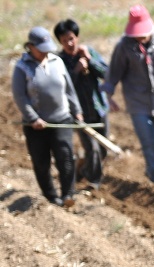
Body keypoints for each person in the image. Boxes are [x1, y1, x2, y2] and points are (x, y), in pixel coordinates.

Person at [101, 5, 154, 189]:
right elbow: (113, 74)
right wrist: (108, 96)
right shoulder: (123, 47)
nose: (140, 37)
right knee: (150, 144)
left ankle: (152, 172)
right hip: (138, 104)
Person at [11, 27, 83, 208]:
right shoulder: (22, 67)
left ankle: (68, 194)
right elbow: (20, 96)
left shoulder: (57, 62)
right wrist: (33, 118)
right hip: (36, 125)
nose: (44, 51)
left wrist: (77, 111)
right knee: (41, 162)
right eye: (40, 48)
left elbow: (69, 90)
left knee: (66, 157)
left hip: (61, 119)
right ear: (30, 46)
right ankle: (51, 197)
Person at [54, 18, 110, 190]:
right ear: (60, 42)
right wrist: (76, 70)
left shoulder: (89, 52)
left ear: (77, 37)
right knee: (91, 149)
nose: (69, 43)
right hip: (78, 113)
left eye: (71, 39)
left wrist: (89, 60)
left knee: (102, 149)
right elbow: (60, 85)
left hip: (98, 109)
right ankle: (94, 182)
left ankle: (83, 168)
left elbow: (107, 74)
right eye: (65, 41)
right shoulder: (59, 60)